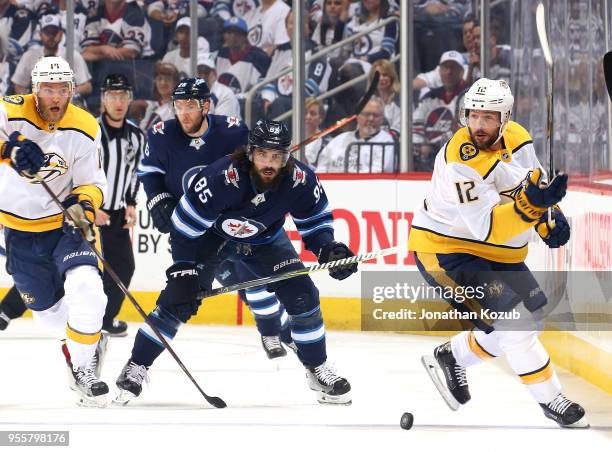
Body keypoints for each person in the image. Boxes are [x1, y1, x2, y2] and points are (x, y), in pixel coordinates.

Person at [116, 119, 357, 405]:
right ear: (250, 153)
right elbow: (183, 228)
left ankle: (317, 368)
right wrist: (182, 268)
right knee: (178, 299)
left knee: (303, 295)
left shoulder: (300, 180)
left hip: (265, 240)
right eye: (264, 155)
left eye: (277, 156)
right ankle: (136, 365)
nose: (270, 163)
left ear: (287, 157)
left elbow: (315, 223)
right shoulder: (220, 177)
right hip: (211, 237)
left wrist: (328, 249)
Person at [407, 78, 588, 428]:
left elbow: (528, 184)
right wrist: (532, 208)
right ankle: (553, 401)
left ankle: (453, 355)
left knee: (530, 318)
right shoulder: (459, 159)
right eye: (473, 116)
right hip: (448, 252)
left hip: (494, 253)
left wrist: (549, 217)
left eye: (488, 118)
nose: (478, 126)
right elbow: (487, 227)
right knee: (516, 323)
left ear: (504, 119)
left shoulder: (517, 138)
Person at [130, 78, 291, 366]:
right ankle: (139, 364)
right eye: (178, 105)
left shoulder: (232, 131)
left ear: (206, 105)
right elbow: (149, 172)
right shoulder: (160, 135)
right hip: (194, 230)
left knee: (253, 281)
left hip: (233, 221)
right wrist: (157, 199)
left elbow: (256, 167)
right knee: (208, 289)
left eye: (190, 105)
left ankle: (272, 331)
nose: (183, 113)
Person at [0, 56, 109, 407]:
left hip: (65, 226)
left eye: (62, 88)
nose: (55, 96)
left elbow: (91, 182)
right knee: (49, 319)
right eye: (48, 88)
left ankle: (83, 369)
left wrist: (85, 205)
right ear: (35, 90)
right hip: (19, 230)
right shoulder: (10, 111)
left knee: (88, 289)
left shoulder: (85, 126)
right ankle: (88, 342)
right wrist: (10, 149)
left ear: (72, 91)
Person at [96, 73, 146, 336]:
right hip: (88, 212)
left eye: (123, 96)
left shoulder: (137, 136)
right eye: (113, 96)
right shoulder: (91, 132)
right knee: (84, 271)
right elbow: (82, 171)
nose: (118, 101)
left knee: (124, 268)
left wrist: (131, 203)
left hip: (115, 214)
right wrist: (92, 206)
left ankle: (104, 320)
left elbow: (135, 173)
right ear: (103, 99)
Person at [412, 50, 468, 171]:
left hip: (458, 159)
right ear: (439, 71)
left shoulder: (469, 97)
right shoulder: (429, 97)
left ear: (462, 72)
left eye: (453, 68)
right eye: (445, 67)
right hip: (427, 158)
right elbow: (416, 124)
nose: (449, 72)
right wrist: (421, 146)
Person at [12, 14, 92, 96]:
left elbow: (86, 86)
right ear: (40, 35)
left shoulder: (72, 55)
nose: (51, 36)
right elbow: (19, 85)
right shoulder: (29, 56)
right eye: (47, 33)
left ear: (61, 34)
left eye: (54, 33)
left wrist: (65, 94)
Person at [318, 96, 396, 173]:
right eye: (367, 114)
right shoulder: (339, 140)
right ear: (357, 116)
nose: (371, 119)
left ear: (382, 118)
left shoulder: (387, 142)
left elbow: (380, 171)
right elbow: (321, 168)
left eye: (376, 115)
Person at [196, 52, 241, 118]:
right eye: (199, 72)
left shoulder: (225, 95)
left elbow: (222, 126)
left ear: (215, 73)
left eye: (206, 72)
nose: (202, 76)